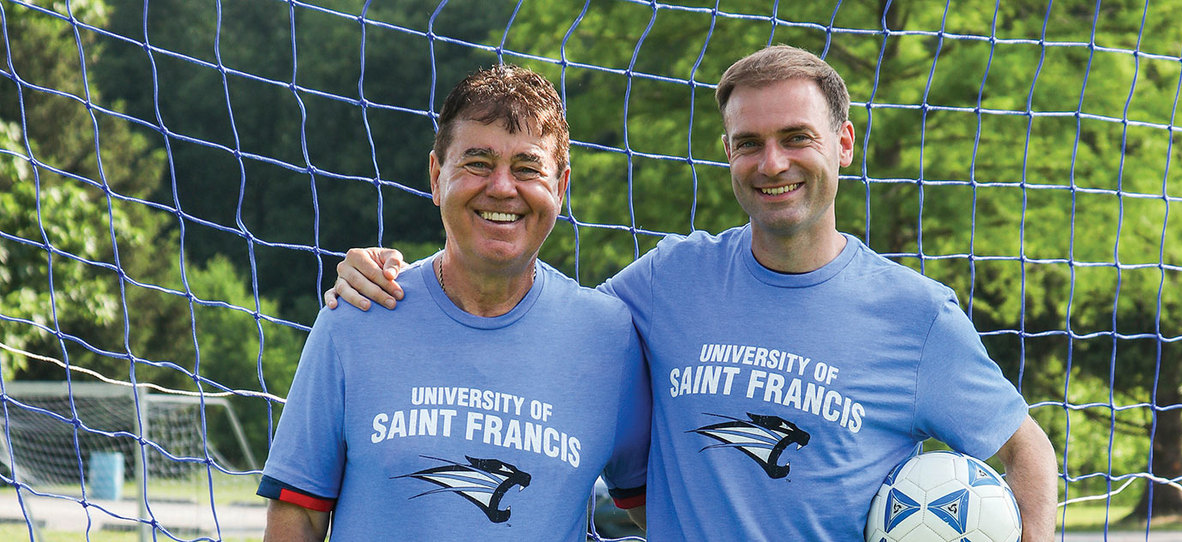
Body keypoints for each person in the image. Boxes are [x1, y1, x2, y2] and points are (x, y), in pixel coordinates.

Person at [325, 45, 1059, 540]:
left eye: (796, 138)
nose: (772, 163)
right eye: (749, 143)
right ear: (730, 153)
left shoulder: (916, 316)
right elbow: (529, 312)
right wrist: (393, 278)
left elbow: (1028, 453)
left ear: (842, 143)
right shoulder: (670, 279)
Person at [257, 65, 651, 541]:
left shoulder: (609, 337)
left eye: (527, 168)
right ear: (436, 176)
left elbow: (663, 508)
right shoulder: (359, 312)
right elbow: (298, 516)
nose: (502, 187)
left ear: (561, 187)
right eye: (478, 162)